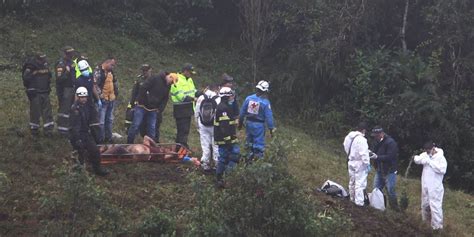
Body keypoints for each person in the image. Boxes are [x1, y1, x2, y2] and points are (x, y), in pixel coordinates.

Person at [127, 64, 174, 144]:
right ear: (169, 77)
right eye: (172, 81)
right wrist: (144, 100)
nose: (171, 84)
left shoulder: (168, 86)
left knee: (152, 129)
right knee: (136, 125)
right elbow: (143, 88)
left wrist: (160, 109)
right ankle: (128, 143)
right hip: (142, 106)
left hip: (153, 109)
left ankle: (150, 147)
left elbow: (165, 99)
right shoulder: (155, 78)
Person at [69, 87, 108, 176]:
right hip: (77, 135)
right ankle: (79, 172)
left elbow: (92, 121)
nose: (83, 99)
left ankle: (97, 169)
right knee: (80, 153)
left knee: (95, 151)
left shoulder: (87, 107)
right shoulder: (75, 109)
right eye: (81, 97)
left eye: (85, 97)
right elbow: (74, 127)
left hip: (86, 133)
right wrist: (77, 139)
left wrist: (96, 135)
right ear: (78, 97)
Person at [413, 142, 447, 230]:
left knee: (435, 206)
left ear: (433, 148)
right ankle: (425, 224)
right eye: (426, 151)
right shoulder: (426, 155)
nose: (428, 153)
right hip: (425, 185)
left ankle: (437, 227)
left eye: (429, 151)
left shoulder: (440, 157)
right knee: (425, 205)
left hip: (435, 187)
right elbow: (416, 159)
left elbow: (442, 170)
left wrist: (430, 162)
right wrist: (423, 159)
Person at [239, 80, 275, 161]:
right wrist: (271, 129)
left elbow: (242, 113)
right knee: (258, 145)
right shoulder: (265, 103)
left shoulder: (248, 98)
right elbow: (269, 118)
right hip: (259, 126)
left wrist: (240, 123)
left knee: (249, 142)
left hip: (248, 124)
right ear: (265, 91)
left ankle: (248, 160)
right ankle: (257, 162)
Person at [22, 52, 54, 136]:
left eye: (43, 59)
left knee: (47, 112)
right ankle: (34, 130)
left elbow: (49, 77)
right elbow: (26, 78)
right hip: (35, 93)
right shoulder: (30, 67)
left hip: (45, 92)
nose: (42, 61)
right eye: (41, 60)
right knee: (35, 112)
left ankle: (48, 130)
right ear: (37, 59)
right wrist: (31, 89)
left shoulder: (45, 65)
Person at [214, 87, 240, 187]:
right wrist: (228, 140)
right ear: (227, 96)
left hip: (224, 138)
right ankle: (227, 178)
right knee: (233, 157)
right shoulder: (224, 108)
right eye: (230, 95)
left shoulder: (222, 106)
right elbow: (224, 126)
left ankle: (220, 178)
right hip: (226, 139)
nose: (231, 97)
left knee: (223, 158)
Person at [371, 126, 400, 210]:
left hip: (390, 171)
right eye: (374, 135)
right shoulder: (376, 142)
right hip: (380, 170)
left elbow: (390, 157)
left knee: (391, 190)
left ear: (381, 134)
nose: (375, 137)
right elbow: (375, 153)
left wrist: (377, 157)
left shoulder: (391, 143)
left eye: (377, 135)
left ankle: (395, 208)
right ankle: (379, 206)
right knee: (376, 189)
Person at [170, 63, 197, 149]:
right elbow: (180, 96)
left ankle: (182, 147)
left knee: (186, 130)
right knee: (182, 130)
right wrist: (193, 99)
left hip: (188, 108)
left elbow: (193, 90)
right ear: (185, 71)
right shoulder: (176, 79)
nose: (191, 74)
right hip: (180, 108)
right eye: (190, 72)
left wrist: (200, 93)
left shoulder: (189, 79)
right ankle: (181, 148)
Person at [343, 122, 370, 206]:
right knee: (360, 183)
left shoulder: (349, 137)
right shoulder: (362, 140)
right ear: (364, 130)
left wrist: (351, 155)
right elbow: (364, 154)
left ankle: (352, 199)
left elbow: (345, 146)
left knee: (352, 182)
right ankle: (359, 203)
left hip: (351, 161)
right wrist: (367, 164)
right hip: (360, 163)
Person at [194, 84, 220, 172]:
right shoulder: (218, 98)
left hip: (203, 125)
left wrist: (197, 125)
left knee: (205, 146)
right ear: (217, 89)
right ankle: (217, 165)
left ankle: (205, 165)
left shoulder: (201, 97)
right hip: (215, 126)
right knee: (216, 145)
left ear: (208, 88)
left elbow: (196, 112)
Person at [94, 57, 118, 143]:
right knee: (101, 121)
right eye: (111, 65)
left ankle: (109, 137)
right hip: (103, 100)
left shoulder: (111, 72)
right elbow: (95, 85)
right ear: (106, 63)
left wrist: (115, 94)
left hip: (111, 99)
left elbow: (114, 82)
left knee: (110, 120)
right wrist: (100, 96)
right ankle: (100, 139)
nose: (113, 67)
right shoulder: (98, 71)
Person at [55, 46, 76, 135]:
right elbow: (59, 79)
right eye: (69, 54)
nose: (71, 55)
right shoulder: (61, 64)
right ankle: (62, 130)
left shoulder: (72, 63)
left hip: (72, 88)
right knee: (64, 110)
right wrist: (66, 72)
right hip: (64, 90)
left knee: (72, 109)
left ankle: (70, 128)